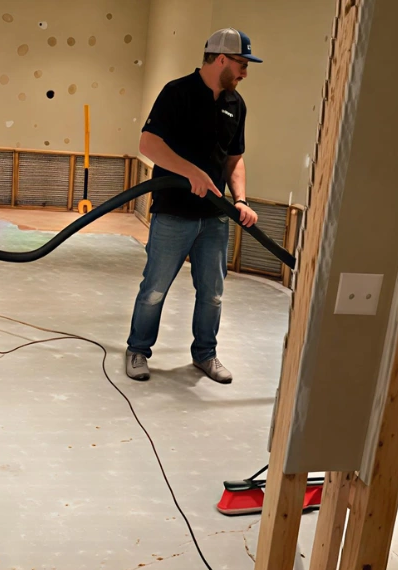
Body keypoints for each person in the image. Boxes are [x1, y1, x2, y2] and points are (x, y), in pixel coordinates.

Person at [126, 28, 262, 383]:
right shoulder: (177, 93)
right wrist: (190, 172)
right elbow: (148, 143)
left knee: (213, 294)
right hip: (173, 212)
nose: (245, 73)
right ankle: (138, 350)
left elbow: (235, 158)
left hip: (216, 217)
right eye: (242, 64)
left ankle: (205, 354)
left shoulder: (236, 104)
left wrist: (241, 200)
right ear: (221, 59)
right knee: (154, 288)